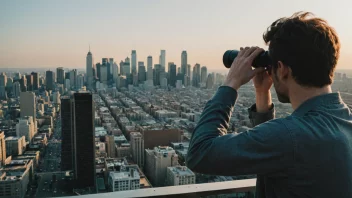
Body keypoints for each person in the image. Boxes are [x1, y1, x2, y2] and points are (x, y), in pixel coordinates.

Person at [186, 12, 352, 198]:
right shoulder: (345, 120)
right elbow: (272, 150)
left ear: (282, 69)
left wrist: (230, 84)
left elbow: (199, 152)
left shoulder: (290, 137)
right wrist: (262, 93)